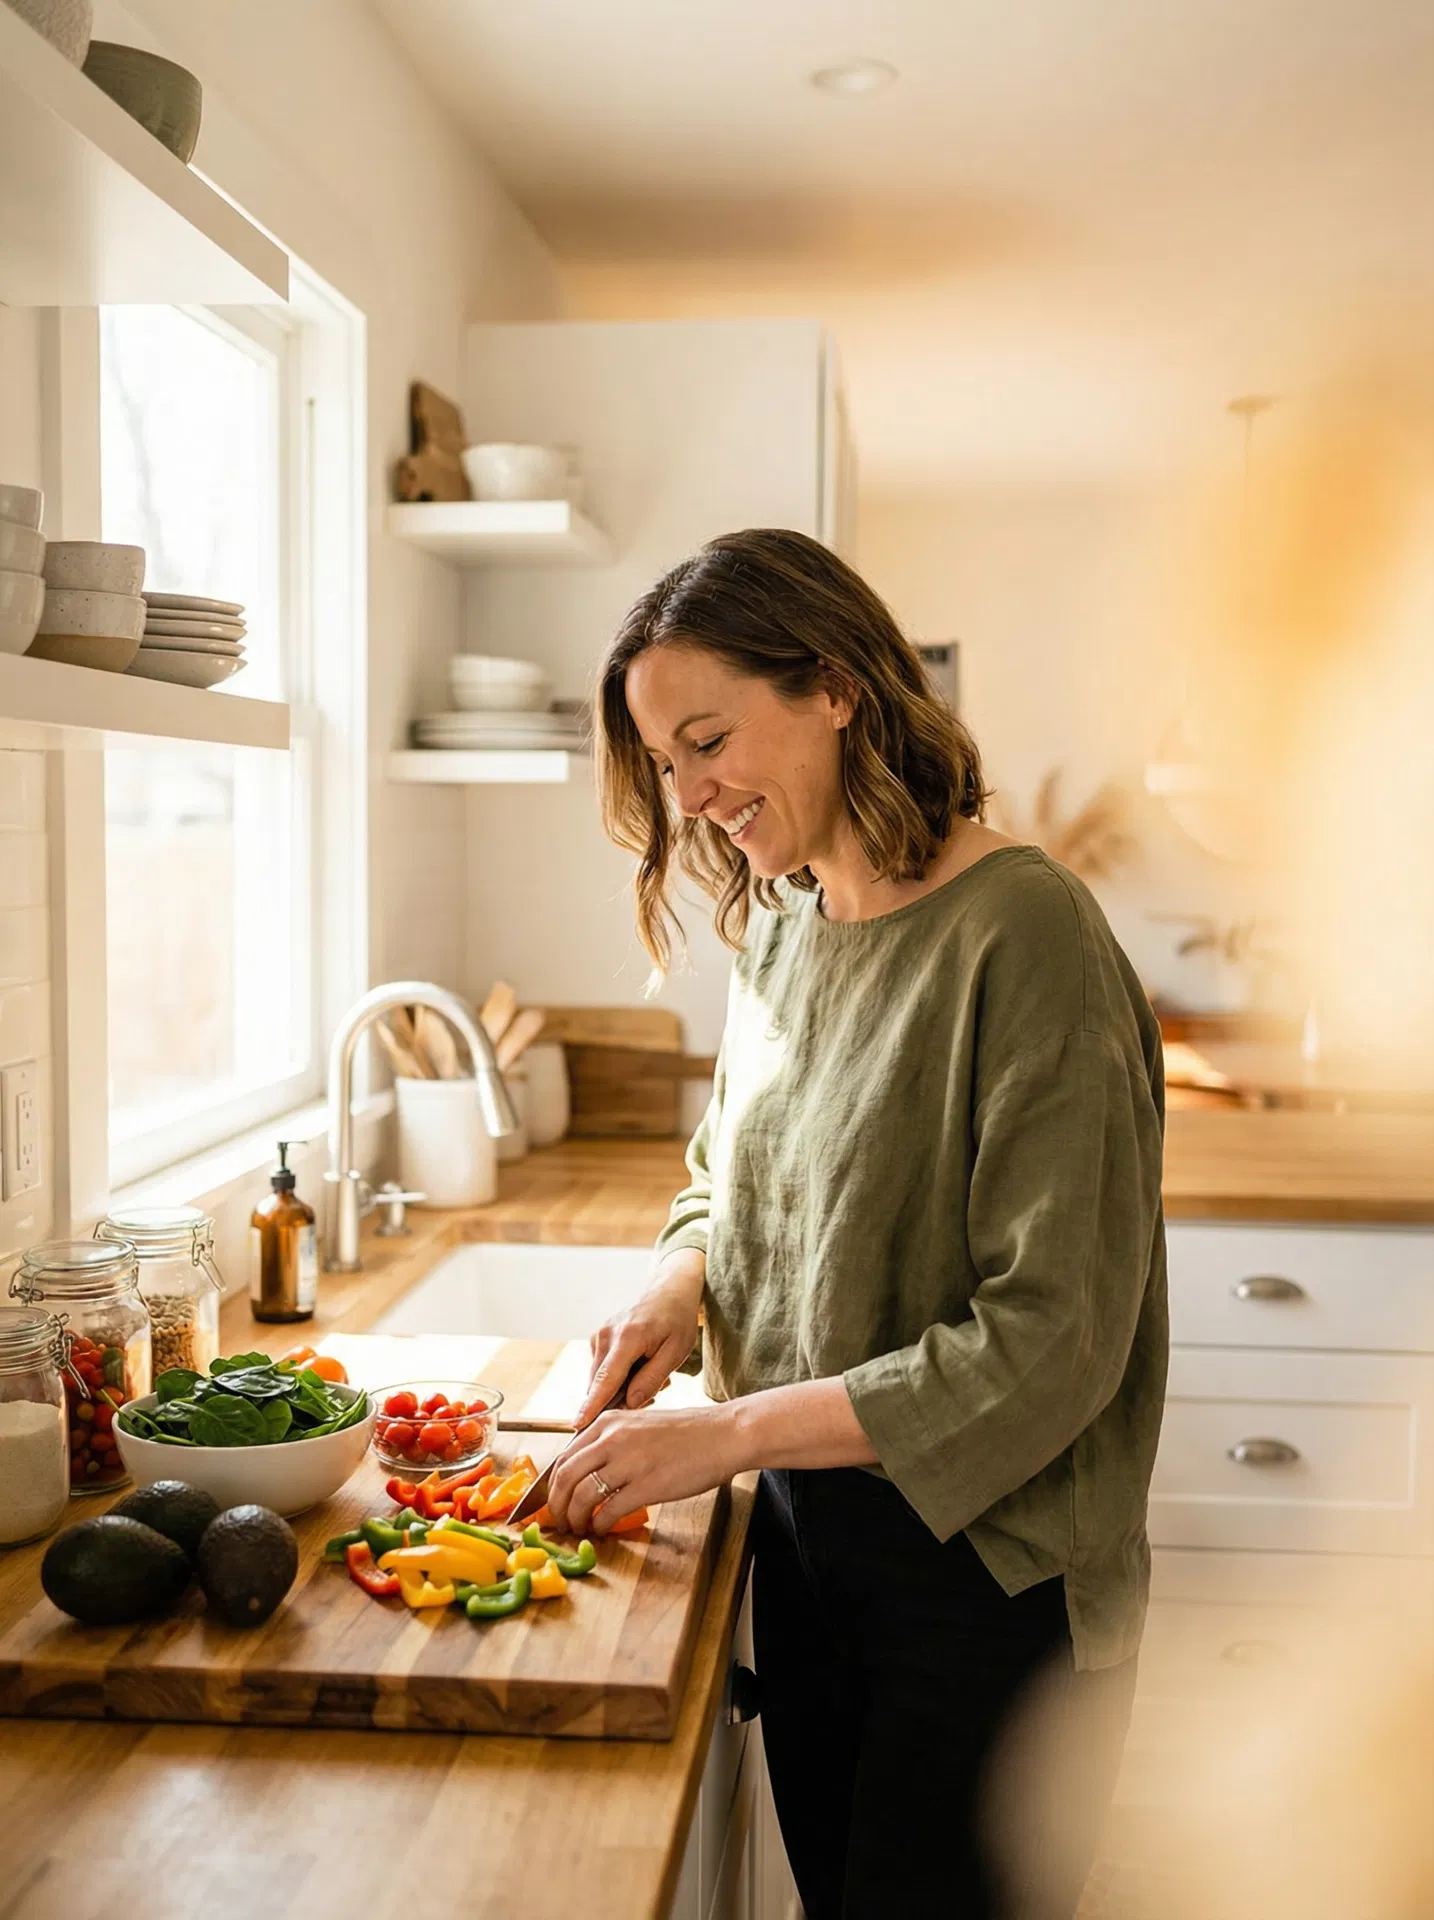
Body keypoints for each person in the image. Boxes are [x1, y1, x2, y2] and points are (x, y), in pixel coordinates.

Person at [544, 528, 1168, 1918]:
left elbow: (1050, 1345)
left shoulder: (1028, 934)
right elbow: (732, 1171)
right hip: (811, 1533)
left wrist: (730, 1431)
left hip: (989, 1588)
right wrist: (676, 1279)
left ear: (832, 685)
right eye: (662, 762)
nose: (692, 796)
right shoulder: (787, 922)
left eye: (707, 739)